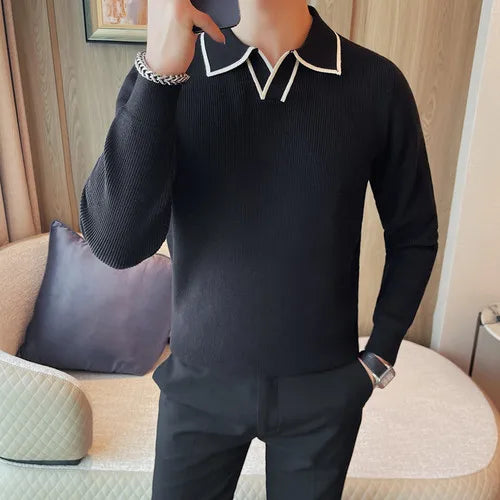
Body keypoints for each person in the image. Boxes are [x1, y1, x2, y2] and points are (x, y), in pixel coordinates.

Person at [79, 0, 439, 498]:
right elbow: (116, 244)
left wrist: (379, 357)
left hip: (323, 395)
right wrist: (159, 73)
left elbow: (415, 233)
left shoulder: (375, 84)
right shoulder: (173, 73)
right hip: (197, 389)